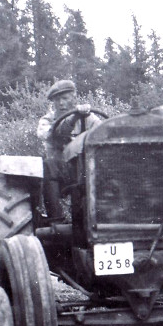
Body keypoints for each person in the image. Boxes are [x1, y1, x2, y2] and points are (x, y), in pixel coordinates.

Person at [35, 79, 101, 220]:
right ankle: (56, 220)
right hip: (62, 170)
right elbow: (48, 134)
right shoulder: (47, 120)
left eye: (65, 98)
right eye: (57, 100)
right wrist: (72, 119)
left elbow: (103, 132)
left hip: (88, 169)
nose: (61, 103)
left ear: (74, 98)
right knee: (48, 165)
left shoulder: (89, 118)